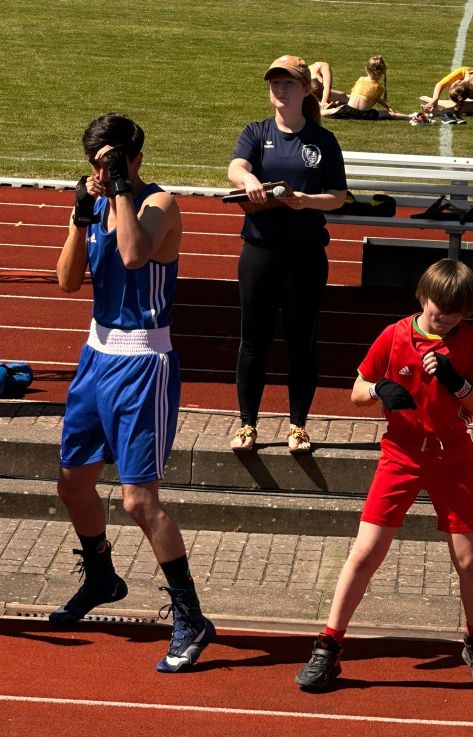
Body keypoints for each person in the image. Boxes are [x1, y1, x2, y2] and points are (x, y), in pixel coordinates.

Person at [53, 113, 215, 672]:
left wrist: (120, 188)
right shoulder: (93, 200)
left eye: (111, 161)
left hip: (144, 360)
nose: (100, 172)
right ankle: (101, 576)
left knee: (138, 500)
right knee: (72, 484)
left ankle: (191, 617)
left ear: (134, 159)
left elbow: (131, 255)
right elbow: (69, 281)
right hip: (96, 356)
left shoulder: (160, 203)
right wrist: (80, 212)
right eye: (95, 163)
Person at [295, 259, 473, 691]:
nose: (444, 318)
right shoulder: (394, 335)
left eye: (455, 313)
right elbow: (356, 392)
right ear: (422, 297)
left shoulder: (469, 341)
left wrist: (456, 383)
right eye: (438, 309)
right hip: (402, 455)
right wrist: (377, 391)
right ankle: (328, 645)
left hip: (451, 456)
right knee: (367, 550)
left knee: (468, 556)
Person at [227, 55, 347, 452]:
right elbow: (236, 167)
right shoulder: (255, 131)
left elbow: (338, 196)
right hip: (259, 250)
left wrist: (305, 200)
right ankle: (247, 425)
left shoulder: (322, 141)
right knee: (253, 339)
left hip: (305, 253)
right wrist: (249, 180)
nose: (279, 90)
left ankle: (298, 425)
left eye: (288, 84)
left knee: (301, 340)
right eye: (274, 83)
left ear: (305, 90)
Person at [322, 56, 411, 120]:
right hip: (364, 114)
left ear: (366, 69)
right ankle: (409, 117)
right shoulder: (379, 88)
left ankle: (322, 108)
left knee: (325, 112)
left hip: (347, 110)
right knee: (389, 114)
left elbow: (355, 95)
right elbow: (373, 101)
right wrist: (387, 107)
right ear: (383, 72)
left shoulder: (361, 79)